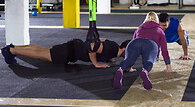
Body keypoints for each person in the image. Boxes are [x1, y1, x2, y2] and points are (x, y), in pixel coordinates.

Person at [113, 11, 172, 90]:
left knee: (128, 60)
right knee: (148, 61)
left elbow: (131, 47)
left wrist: (130, 66)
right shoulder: (160, 30)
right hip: (150, 44)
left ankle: (120, 70)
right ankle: (145, 72)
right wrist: (168, 67)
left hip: (135, 42)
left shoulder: (139, 28)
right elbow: (164, 50)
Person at [1, 39, 131, 68]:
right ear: (125, 49)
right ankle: (11, 51)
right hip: (71, 51)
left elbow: (101, 40)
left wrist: (106, 58)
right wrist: (96, 63)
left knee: (42, 50)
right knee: (42, 54)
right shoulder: (113, 49)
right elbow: (93, 46)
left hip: (73, 47)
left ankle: (13, 47)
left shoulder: (114, 48)